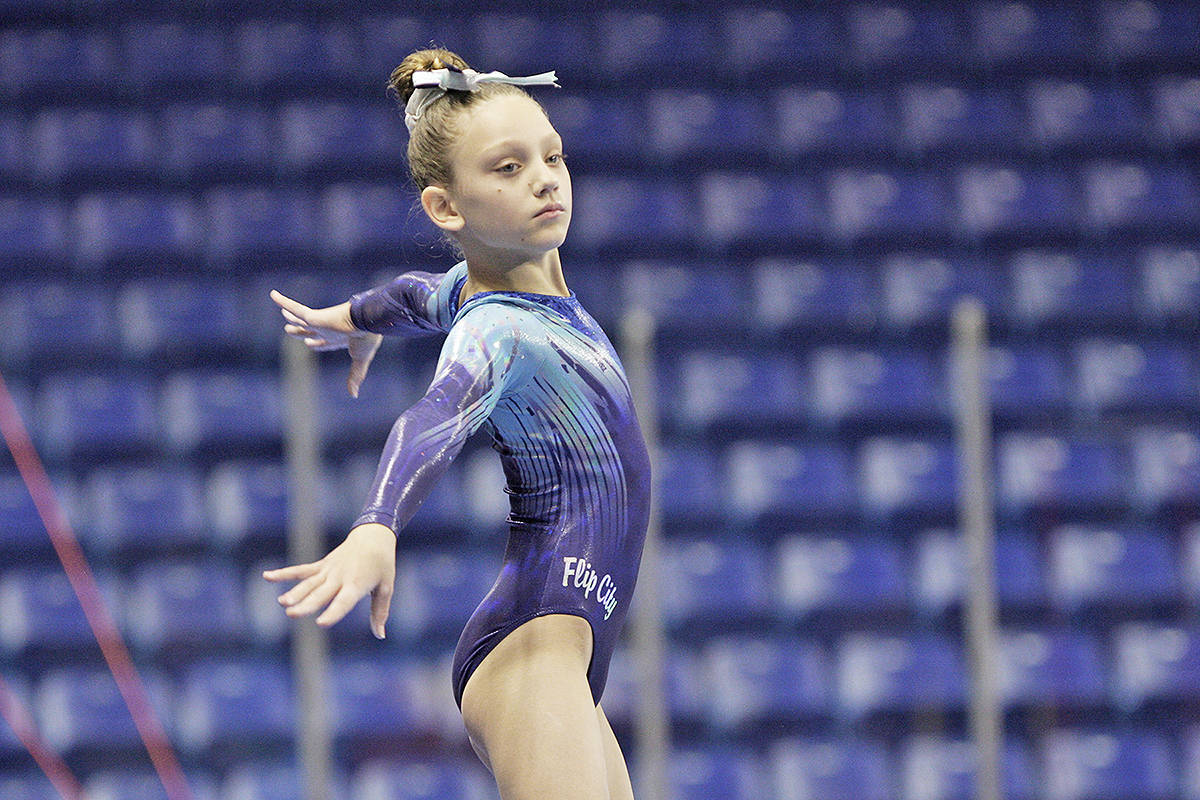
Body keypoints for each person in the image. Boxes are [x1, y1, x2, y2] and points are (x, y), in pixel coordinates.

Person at [262, 48, 650, 800]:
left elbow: (412, 298)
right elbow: (435, 413)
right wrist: (378, 524)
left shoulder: (488, 298)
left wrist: (349, 318)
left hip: (568, 651)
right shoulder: (498, 327)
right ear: (447, 208)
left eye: (552, 156)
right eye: (506, 168)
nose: (543, 176)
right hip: (535, 645)